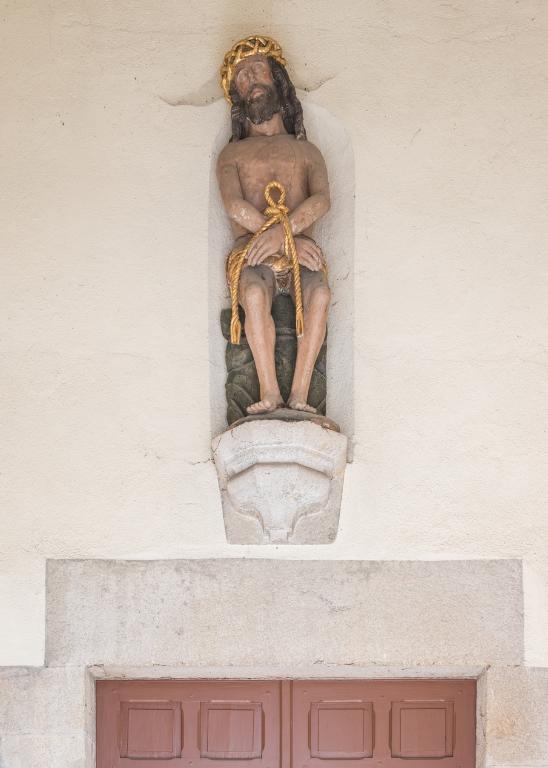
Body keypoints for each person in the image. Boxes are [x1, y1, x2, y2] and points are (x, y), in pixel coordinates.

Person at [218, 36, 331, 414]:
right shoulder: (233, 154)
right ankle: (269, 391)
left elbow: (321, 200)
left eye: (256, 70)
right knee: (252, 294)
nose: (249, 80)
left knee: (320, 296)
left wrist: (285, 237)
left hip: (299, 255)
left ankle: (299, 394)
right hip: (252, 254)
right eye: (241, 77)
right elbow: (234, 206)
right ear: (237, 96)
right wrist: (285, 239)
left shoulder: (306, 151)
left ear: (276, 78)